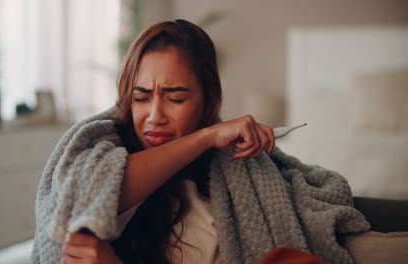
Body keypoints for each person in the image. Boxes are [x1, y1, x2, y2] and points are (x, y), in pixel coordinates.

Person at [32, 19, 369, 264]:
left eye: (175, 98)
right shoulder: (102, 155)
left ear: (208, 100)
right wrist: (206, 136)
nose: (155, 115)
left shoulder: (229, 191)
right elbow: (101, 192)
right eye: (141, 97)